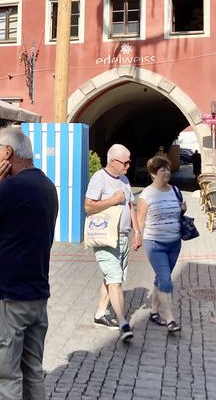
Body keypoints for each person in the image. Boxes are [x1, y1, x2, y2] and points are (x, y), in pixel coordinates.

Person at [0, 127, 58, 400]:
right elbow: (19, 227)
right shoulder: (45, 185)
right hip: (36, 295)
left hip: (8, 297)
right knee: (31, 374)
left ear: (8, 153)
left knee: (4, 379)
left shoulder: (12, 187)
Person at [84, 143, 139, 343]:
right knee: (115, 279)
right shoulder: (99, 178)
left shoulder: (124, 179)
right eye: (125, 162)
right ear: (112, 161)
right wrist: (113, 200)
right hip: (106, 237)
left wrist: (137, 231)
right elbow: (88, 206)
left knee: (112, 277)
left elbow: (131, 205)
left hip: (123, 237)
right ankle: (123, 321)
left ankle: (100, 314)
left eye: (129, 162)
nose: (128, 166)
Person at [137, 156, 184, 333]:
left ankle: (154, 311)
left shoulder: (175, 190)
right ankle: (170, 318)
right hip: (155, 243)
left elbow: (179, 212)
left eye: (168, 169)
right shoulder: (146, 195)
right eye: (162, 170)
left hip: (174, 242)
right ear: (153, 173)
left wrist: (183, 209)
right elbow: (141, 219)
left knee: (160, 278)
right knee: (166, 279)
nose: (166, 172)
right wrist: (137, 238)